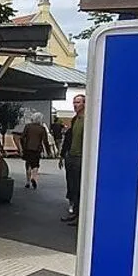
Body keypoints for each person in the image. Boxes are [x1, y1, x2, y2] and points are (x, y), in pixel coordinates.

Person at [60, 95, 86, 224]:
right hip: (71, 156)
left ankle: (79, 215)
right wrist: (64, 154)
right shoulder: (75, 119)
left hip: (80, 157)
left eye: (78, 102)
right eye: (74, 102)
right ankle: (75, 212)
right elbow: (69, 138)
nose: (75, 105)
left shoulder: (87, 119)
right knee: (72, 186)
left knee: (79, 187)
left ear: (84, 104)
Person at [20, 113, 52, 189]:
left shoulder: (28, 126)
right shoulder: (42, 129)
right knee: (36, 165)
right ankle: (33, 177)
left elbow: (22, 137)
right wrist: (48, 151)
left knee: (28, 164)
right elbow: (45, 141)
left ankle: (27, 182)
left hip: (27, 148)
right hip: (37, 149)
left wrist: (22, 147)